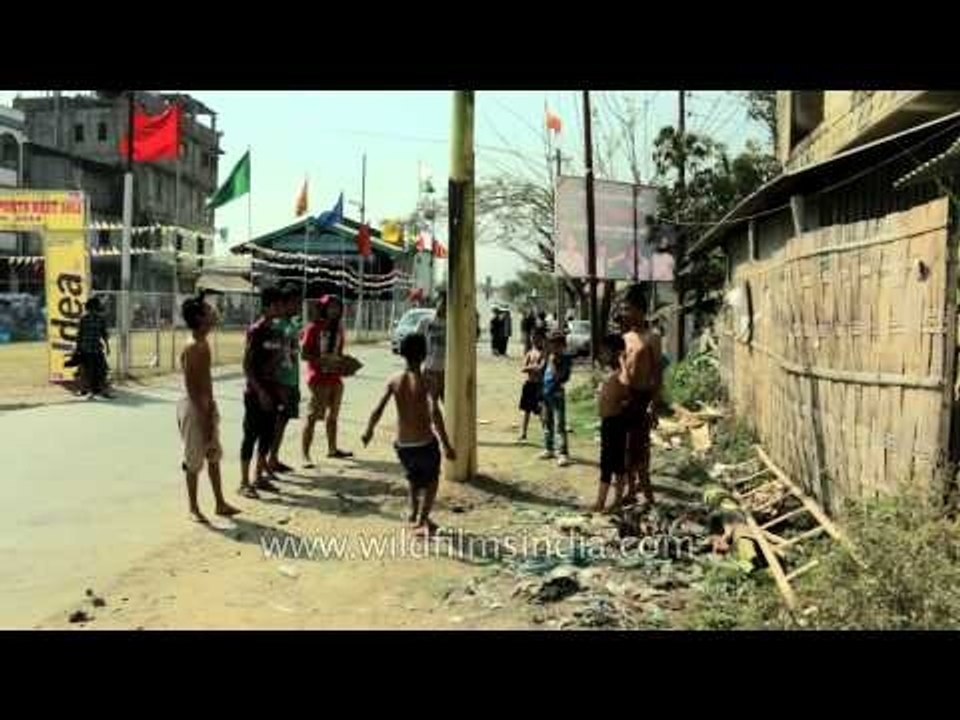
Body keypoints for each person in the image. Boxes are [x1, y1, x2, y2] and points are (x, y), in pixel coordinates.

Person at [362, 332, 456, 537]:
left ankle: (415, 511)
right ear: (424, 355)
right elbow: (435, 413)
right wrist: (446, 445)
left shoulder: (394, 380)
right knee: (432, 481)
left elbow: (378, 409)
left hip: (403, 445)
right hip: (425, 443)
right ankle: (422, 519)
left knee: (414, 478)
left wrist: (369, 430)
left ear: (402, 354)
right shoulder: (428, 381)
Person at [177, 294, 240, 523]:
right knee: (193, 459)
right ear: (199, 318)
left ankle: (219, 502)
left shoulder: (203, 343)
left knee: (213, 453)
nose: (214, 313)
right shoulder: (193, 347)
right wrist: (204, 419)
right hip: (195, 408)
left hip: (206, 405)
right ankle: (193, 508)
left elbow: (205, 383)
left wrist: (211, 409)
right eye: (208, 310)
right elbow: (192, 388)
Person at [239, 286, 286, 499]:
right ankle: (244, 482)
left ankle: (259, 476)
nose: (281, 309)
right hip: (255, 393)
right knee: (251, 435)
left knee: (267, 435)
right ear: (267, 306)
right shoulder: (256, 331)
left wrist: (278, 388)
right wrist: (260, 392)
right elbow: (247, 366)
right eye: (278, 305)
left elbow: (275, 364)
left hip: (272, 391)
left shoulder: (277, 331)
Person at [619, 284, 662, 506]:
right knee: (626, 448)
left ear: (640, 310)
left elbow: (657, 373)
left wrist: (654, 404)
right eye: (624, 309)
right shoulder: (626, 337)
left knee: (641, 450)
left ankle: (648, 496)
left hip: (642, 399)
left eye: (628, 308)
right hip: (626, 400)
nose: (625, 313)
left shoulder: (652, 337)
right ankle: (630, 490)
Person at [301, 295, 353, 467]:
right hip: (318, 378)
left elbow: (339, 352)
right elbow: (304, 354)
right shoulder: (313, 328)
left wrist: (346, 364)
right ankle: (305, 455)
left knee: (333, 416)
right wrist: (322, 361)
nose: (334, 310)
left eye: (337, 307)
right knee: (313, 417)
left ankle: (332, 449)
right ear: (323, 308)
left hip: (335, 378)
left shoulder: (339, 329)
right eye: (331, 307)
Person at [593, 333, 630, 513]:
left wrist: (622, 360)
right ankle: (607, 501)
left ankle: (608, 502)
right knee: (608, 463)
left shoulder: (622, 372)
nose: (602, 354)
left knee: (613, 464)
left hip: (616, 423)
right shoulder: (611, 372)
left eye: (605, 351)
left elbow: (625, 383)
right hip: (608, 423)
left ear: (617, 353)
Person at [268, 284, 302, 474]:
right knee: (274, 424)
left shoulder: (293, 324)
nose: (297, 306)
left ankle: (273, 458)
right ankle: (267, 461)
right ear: (284, 303)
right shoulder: (277, 325)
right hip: (280, 382)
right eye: (294, 303)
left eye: (299, 302)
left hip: (292, 380)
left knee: (283, 422)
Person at [540, 330, 572, 467]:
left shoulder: (565, 359)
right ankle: (549, 448)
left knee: (559, 424)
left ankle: (563, 453)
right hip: (546, 392)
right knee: (547, 422)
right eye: (551, 343)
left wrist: (553, 363)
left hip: (557, 393)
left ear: (562, 345)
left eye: (556, 344)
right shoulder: (549, 356)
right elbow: (543, 373)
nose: (553, 346)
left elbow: (560, 376)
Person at [75, 296, 111, 399]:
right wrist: (78, 348)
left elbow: (104, 334)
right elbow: (80, 334)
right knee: (89, 371)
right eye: (95, 306)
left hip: (95, 349)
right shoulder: (84, 319)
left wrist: (107, 347)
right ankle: (89, 391)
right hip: (87, 349)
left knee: (101, 370)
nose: (95, 309)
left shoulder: (100, 319)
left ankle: (101, 390)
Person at [518, 330, 545, 443]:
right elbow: (523, 368)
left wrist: (531, 367)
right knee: (526, 410)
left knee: (541, 410)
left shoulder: (544, 353)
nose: (535, 340)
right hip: (529, 384)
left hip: (540, 385)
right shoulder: (530, 352)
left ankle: (546, 434)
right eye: (533, 338)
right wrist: (533, 367)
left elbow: (541, 368)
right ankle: (523, 433)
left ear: (542, 339)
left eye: (537, 338)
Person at [424, 292, 447, 402]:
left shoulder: (453, 323)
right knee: (431, 402)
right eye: (441, 302)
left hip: (446, 370)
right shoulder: (427, 321)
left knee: (447, 401)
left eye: (445, 303)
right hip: (430, 368)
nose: (442, 305)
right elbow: (417, 341)